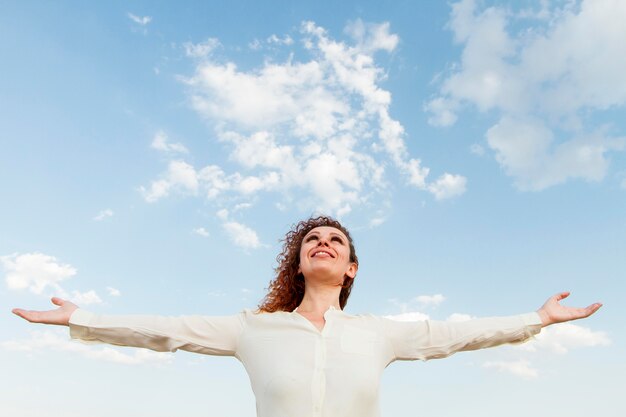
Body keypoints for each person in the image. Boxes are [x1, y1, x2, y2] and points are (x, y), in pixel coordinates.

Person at [12, 215, 602, 417]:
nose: (324, 243)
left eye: (336, 242)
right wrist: (80, 317)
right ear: (298, 261)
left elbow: (452, 336)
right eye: (313, 239)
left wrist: (537, 319)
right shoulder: (252, 328)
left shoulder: (379, 334)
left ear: (350, 270)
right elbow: (167, 330)